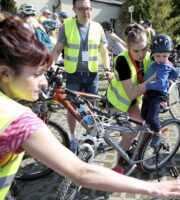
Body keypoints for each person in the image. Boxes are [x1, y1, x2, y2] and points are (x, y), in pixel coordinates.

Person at [0, 14, 180, 198]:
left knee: (143, 126)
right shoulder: (17, 119)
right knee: (129, 132)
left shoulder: (150, 56)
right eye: (36, 74)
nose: (43, 82)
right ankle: (121, 163)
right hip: (121, 100)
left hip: (137, 99)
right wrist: (152, 188)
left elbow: (165, 67)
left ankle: (138, 151)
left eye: (43, 73)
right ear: (5, 73)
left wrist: (164, 88)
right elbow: (81, 173)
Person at [52, 0, 110, 153]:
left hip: (92, 75)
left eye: (88, 9)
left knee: (92, 107)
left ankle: (93, 135)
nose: (86, 12)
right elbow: (57, 49)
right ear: (74, 10)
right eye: (82, 9)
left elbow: (103, 51)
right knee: (72, 108)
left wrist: (108, 68)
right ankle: (72, 137)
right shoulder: (67, 26)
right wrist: (50, 65)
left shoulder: (98, 27)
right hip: (73, 75)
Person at [106, 23, 153, 174]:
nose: (141, 54)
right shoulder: (122, 61)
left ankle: (137, 155)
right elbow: (131, 93)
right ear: (128, 48)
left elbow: (164, 66)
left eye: (144, 49)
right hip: (118, 102)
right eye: (136, 51)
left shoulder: (147, 57)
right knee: (129, 134)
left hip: (133, 101)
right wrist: (153, 82)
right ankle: (118, 166)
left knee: (146, 127)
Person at [141, 34, 179, 149]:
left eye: (165, 56)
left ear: (169, 54)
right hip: (149, 94)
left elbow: (161, 82)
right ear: (152, 54)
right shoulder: (153, 64)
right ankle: (154, 123)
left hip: (158, 95)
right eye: (158, 56)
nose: (161, 59)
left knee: (152, 118)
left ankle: (158, 133)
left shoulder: (166, 66)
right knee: (144, 116)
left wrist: (143, 86)